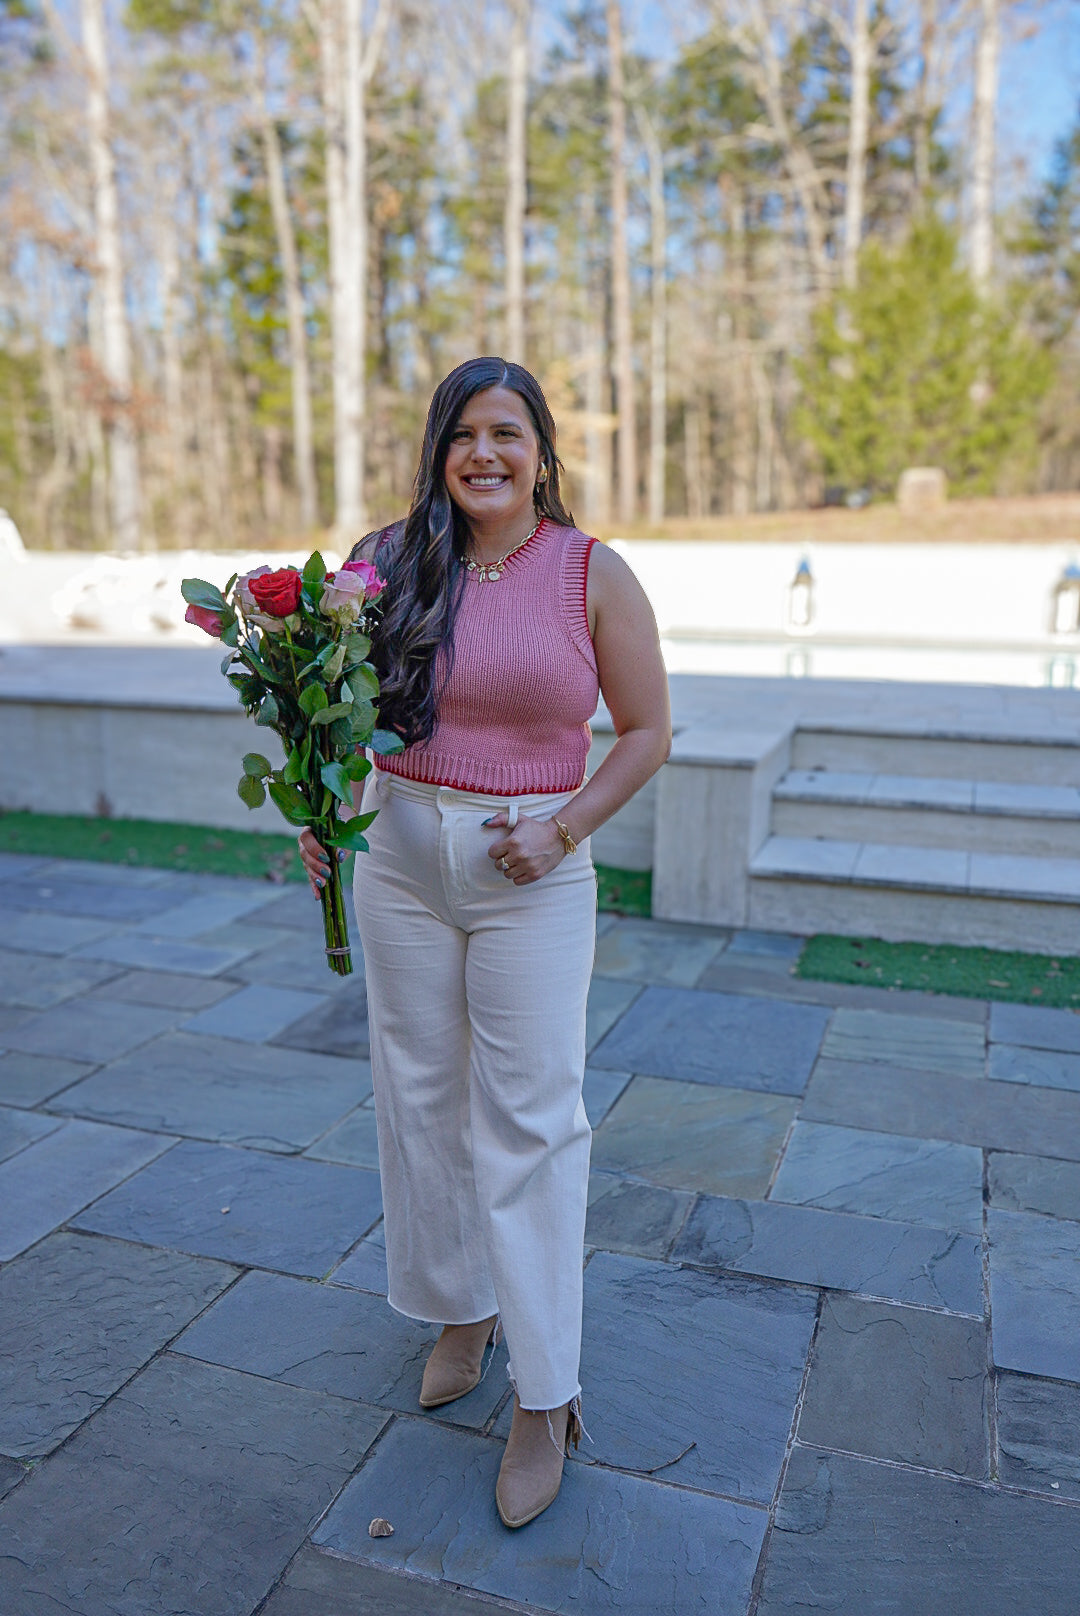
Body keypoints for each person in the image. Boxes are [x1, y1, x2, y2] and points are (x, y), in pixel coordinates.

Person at [298, 356, 670, 1528]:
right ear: (437, 450)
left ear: (541, 449)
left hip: (530, 872)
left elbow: (649, 730)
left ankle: (545, 1393)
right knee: (418, 1095)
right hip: (401, 862)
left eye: (506, 432)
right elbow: (342, 709)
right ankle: (462, 1306)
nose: (484, 454)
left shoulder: (589, 574)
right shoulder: (387, 561)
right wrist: (325, 813)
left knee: (531, 1121)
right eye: (462, 434)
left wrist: (561, 831)